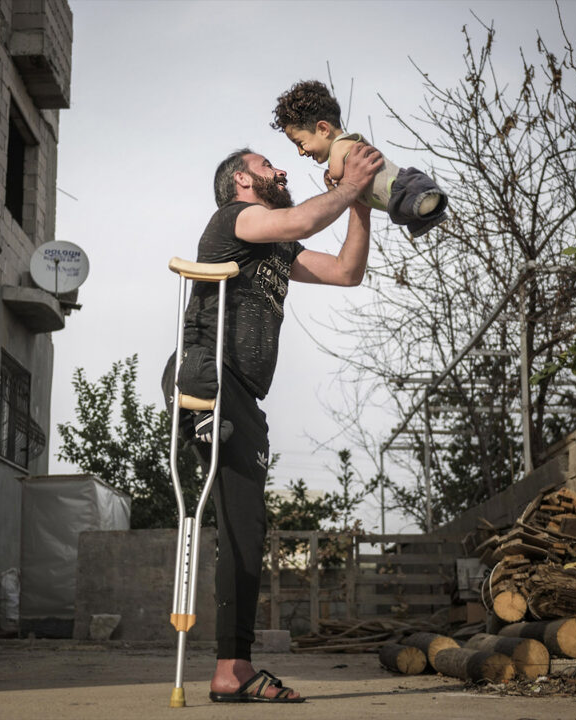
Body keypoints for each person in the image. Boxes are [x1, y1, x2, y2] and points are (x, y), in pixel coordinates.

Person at [163, 142, 385, 702]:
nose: (279, 170)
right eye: (267, 165)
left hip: (243, 396)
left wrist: (360, 206)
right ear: (241, 180)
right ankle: (230, 669)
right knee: (238, 524)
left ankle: (231, 669)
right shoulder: (236, 219)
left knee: (246, 528)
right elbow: (309, 214)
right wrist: (349, 185)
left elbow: (346, 271)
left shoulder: (278, 246)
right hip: (208, 373)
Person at [270, 79, 447, 237]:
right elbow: (348, 191)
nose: (301, 152)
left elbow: (337, 173)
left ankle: (427, 201)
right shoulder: (346, 150)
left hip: (399, 186)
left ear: (323, 129)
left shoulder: (341, 145)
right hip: (394, 198)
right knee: (410, 210)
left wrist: (332, 178)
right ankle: (428, 211)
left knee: (411, 196)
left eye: (300, 143)